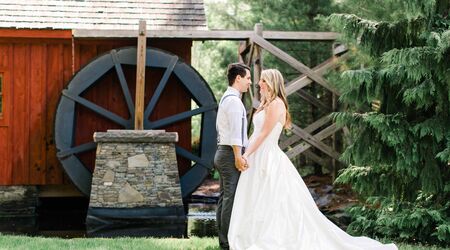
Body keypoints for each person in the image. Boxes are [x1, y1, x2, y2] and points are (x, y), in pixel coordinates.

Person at [227, 69, 397, 250]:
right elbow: (255, 134)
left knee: (273, 200)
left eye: (262, 80)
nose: (258, 83)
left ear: (270, 83)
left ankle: (273, 239)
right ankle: (252, 235)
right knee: (257, 199)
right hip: (256, 156)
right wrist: (247, 153)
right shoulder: (264, 104)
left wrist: (245, 154)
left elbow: (262, 135)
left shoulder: (276, 104)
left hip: (267, 157)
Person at [215, 63, 252, 250]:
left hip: (223, 152)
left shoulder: (227, 98)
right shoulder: (234, 102)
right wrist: (238, 156)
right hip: (230, 153)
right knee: (231, 198)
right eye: (247, 78)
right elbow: (236, 134)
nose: (250, 83)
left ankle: (224, 240)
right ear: (238, 78)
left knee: (225, 198)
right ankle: (227, 243)